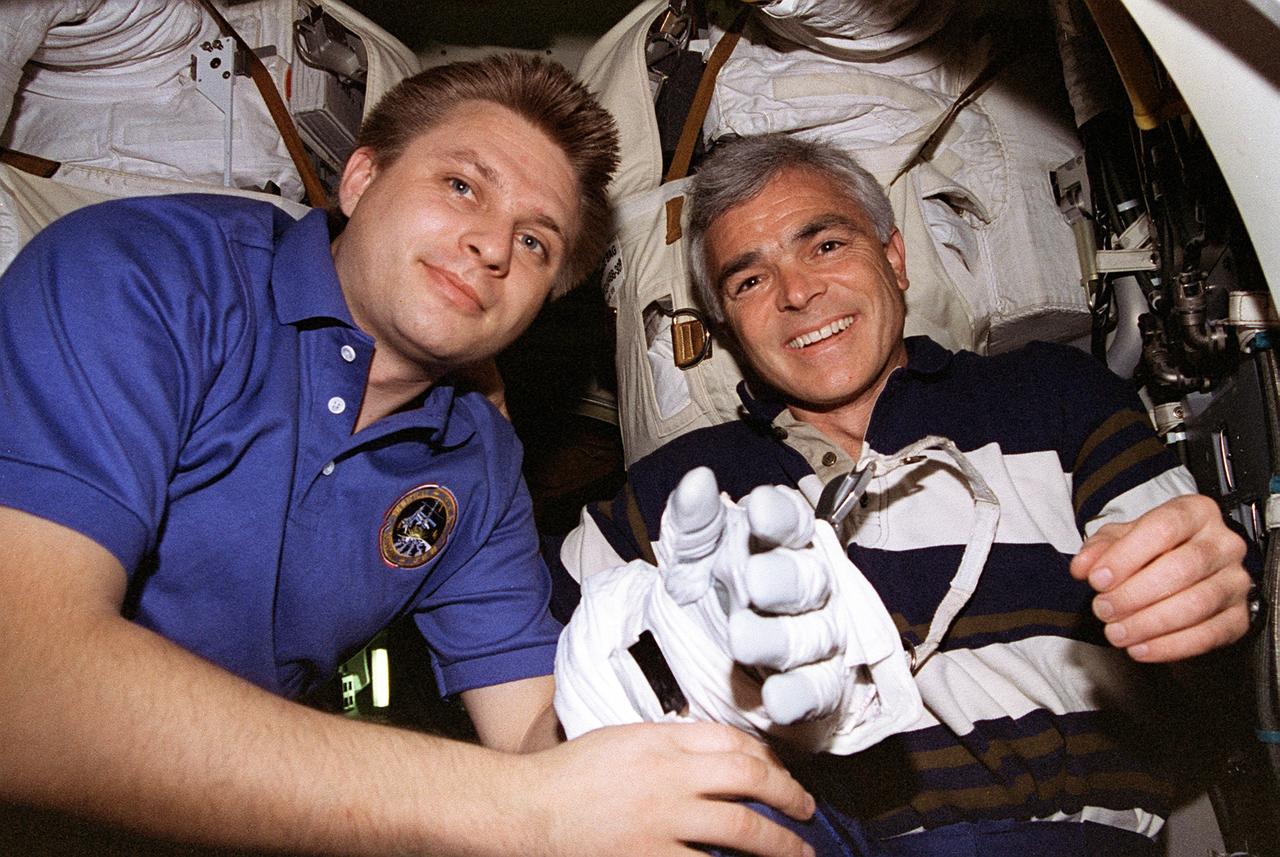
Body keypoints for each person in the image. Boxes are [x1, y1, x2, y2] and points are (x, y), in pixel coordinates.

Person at [0, 55, 818, 857]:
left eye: (536, 242)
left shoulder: (480, 462)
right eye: (461, 186)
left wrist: (687, 658)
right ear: (359, 181)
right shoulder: (146, 276)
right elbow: (24, 687)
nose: (493, 246)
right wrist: (525, 811)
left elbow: (534, 729)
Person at [554, 133, 1253, 855]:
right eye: (749, 280)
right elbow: (528, 689)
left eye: (824, 245)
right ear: (727, 322)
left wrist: (1196, 598)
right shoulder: (676, 488)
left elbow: (1192, 613)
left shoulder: (1054, 395)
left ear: (894, 257)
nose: (797, 293)